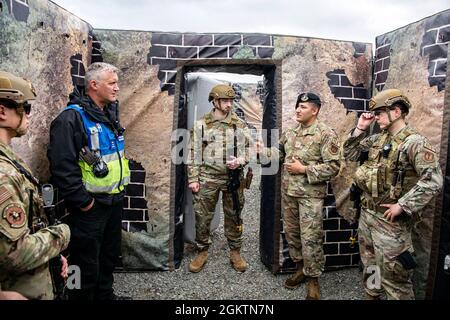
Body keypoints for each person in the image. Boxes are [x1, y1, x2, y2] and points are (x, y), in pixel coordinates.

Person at [343, 88, 443, 300]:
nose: (375, 117)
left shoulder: (414, 142)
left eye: (379, 113)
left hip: (391, 223)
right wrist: (361, 127)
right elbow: (349, 153)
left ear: (396, 112)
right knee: (370, 266)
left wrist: (403, 205)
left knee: (394, 277)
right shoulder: (378, 139)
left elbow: (433, 180)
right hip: (368, 216)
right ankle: (372, 296)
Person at [47, 62, 131, 300]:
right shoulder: (71, 119)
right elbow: (62, 166)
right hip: (90, 207)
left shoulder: (108, 114)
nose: (117, 88)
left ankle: (105, 296)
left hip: (113, 201)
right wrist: (84, 202)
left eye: (117, 83)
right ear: (94, 85)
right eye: (112, 83)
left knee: (108, 255)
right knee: (84, 261)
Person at [256, 92, 340, 300]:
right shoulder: (291, 132)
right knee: (293, 236)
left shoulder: (325, 134)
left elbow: (334, 166)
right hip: (289, 194)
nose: (298, 110)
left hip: (310, 197)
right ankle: (301, 269)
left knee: (311, 238)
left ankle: (313, 280)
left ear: (315, 110)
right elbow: (279, 155)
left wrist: (304, 169)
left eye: (303, 107)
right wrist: (263, 151)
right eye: (297, 106)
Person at [0, 70, 70, 300]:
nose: (29, 115)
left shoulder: (10, 161)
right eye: (26, 108)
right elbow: (14, 254)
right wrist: (59, 236)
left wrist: (49, 255)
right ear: (2, 112)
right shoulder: (4, 173)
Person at [187, 84, 250, 273]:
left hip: (232, 178)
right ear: (214, 101)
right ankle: (202, 250)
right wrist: (193, 178)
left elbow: (250, 149)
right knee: (203, 216)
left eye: (231, 101)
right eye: (225, 101)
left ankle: (235, 251)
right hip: (208, 177)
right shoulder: (201, 124)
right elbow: (193, 152)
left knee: (234, 215)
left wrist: (241, 160)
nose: (229, 104)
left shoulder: (239, 124)